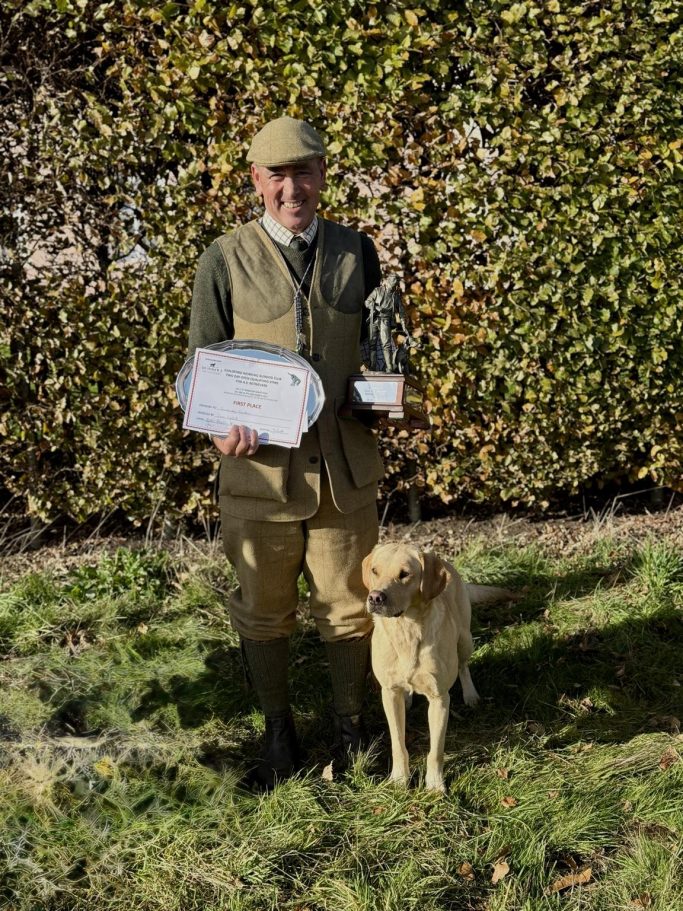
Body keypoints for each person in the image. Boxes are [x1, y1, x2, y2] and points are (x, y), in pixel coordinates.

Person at [187, 116, 383, 789]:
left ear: (322, 175)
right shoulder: (223, 258)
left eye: (304, 172)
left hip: (341, 466)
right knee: (263, 607)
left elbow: (380, 351)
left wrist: (384, 396)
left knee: (350, 603)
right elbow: (202, 363)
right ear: (256, 182)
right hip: (258, 473)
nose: (291, 188)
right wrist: (218, 427)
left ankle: (352, 725)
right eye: (277, 175)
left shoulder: (357, 250)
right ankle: (278, 729)